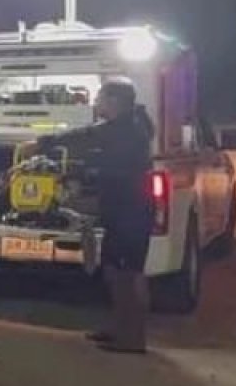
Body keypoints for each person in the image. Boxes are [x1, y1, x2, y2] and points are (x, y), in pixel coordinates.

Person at [21, 78, 155, 354]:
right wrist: (46, 144)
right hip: (120, 210)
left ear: (114, 102)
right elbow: (86, 136)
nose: (96, 103)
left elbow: (105, 158)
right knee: (114, 272)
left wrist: (79, 174)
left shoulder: (128, 131)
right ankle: (119, 328)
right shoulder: (124, 126)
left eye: (100, 98)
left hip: (130, 212)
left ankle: (133, 339)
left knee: (129, 275)